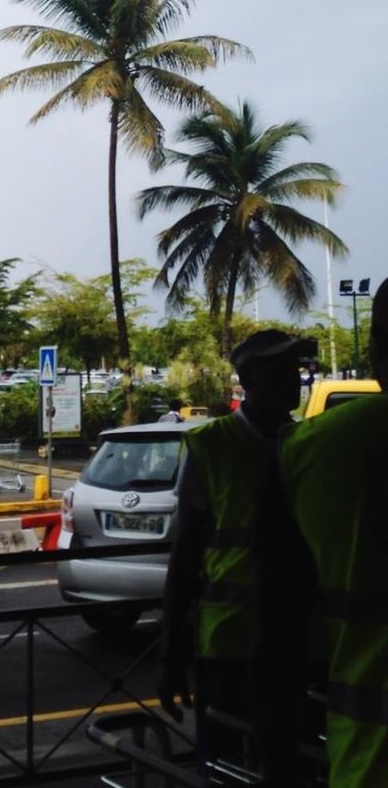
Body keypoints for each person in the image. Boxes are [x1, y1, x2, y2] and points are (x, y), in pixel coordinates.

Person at [256, 279, 388, 787]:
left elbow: (278, 626)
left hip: (367, 757)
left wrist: (275, 757)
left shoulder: (306, 451)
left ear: (375, 350)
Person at [158, 329, 304, 767]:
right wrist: (170, 654)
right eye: (283, 370)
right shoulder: (210, 446)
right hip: (229, 644)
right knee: (225, 763)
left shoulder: (307, 444)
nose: (295, 380)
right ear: (253, 379)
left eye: (296, 370)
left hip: (303, 642)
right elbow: (184, 557)